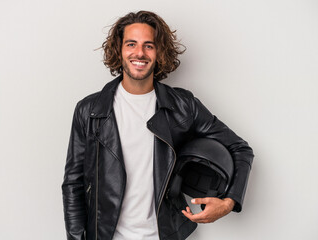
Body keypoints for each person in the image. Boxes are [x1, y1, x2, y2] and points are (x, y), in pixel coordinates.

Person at [62, 10, 254, 240]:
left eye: (149, 45)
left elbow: (240, 148)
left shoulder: (183, 106)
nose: (139, 53)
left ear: (159, 51)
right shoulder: (90, 110)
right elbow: (73, 184)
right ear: (119, 49)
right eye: (131, 44)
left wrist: (228, 202)